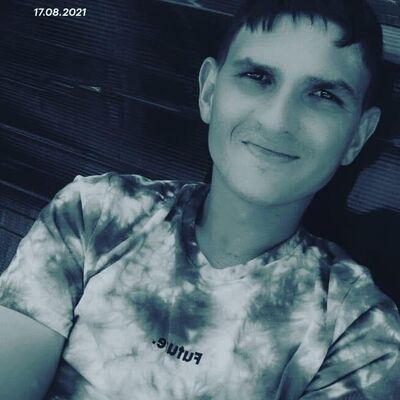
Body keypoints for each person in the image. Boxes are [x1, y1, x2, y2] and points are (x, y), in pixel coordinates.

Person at [0, 0, 399, 399]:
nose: (277, 120)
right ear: (209, 92)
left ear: (357, 136)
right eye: (257, 76)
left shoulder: (360, 332)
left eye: (324, 94)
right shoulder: (95, 214)